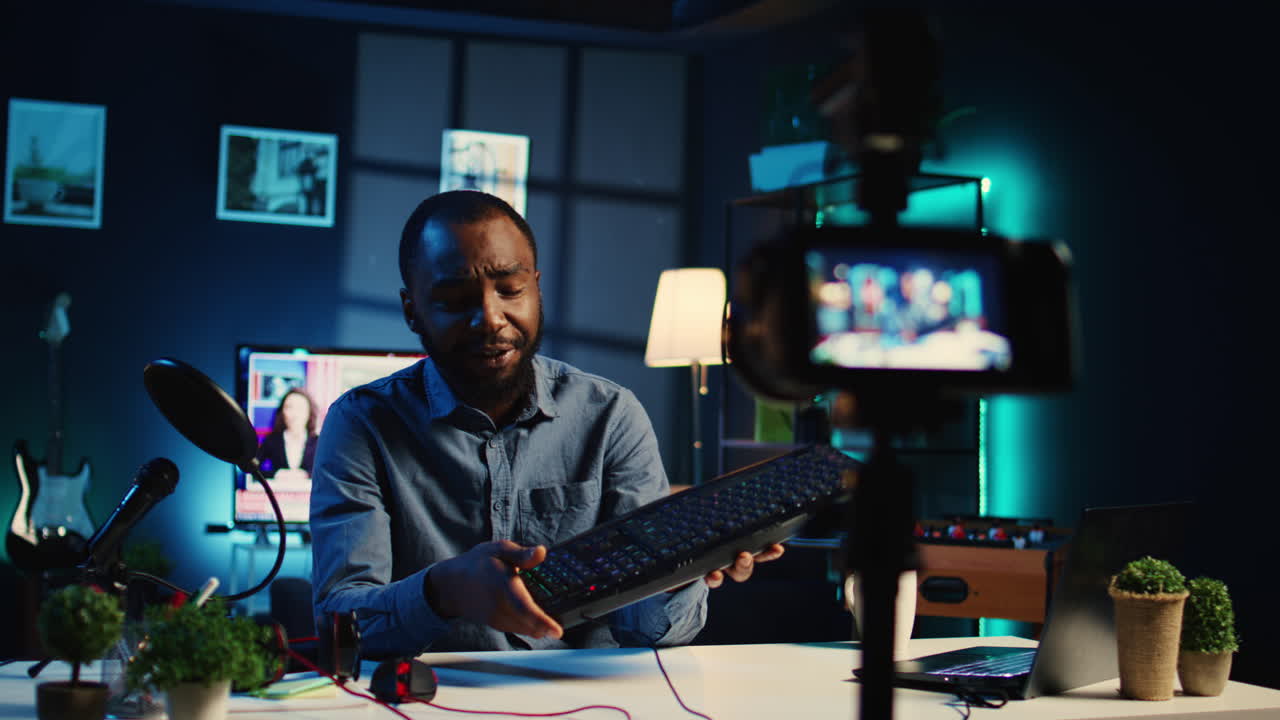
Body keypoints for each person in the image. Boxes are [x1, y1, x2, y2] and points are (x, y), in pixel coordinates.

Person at [310, 190, 783, 658]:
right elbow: (341, 626)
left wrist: (686, 564)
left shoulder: (611, 416)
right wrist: (444, 591)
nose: (491, 319)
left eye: (511, 290)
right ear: (412, 310)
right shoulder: (361, 425)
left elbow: (649, 632)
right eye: (456, 299)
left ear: (536, 287)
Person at [255, 388, 318, 483]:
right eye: (289, 407)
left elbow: (330, 472)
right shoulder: (272, 440)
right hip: (279, 494)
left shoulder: (319, 442)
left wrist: (306, 475)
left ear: (309, 412)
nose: (294, 414)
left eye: (300, 408)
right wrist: (276, 474)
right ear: (282, 412)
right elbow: (253, 469)